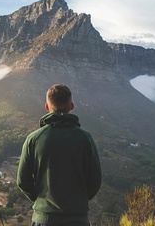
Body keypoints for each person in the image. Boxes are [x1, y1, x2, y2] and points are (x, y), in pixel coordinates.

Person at [17, 84, 102, 226]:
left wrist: (40, 201)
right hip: (78, 219)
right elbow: (95, 180)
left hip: (44, 219)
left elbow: (22, 180)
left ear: (46, 106)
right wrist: (79, 201)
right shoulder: (85, 138)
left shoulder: (34, 139)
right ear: (72, 105)